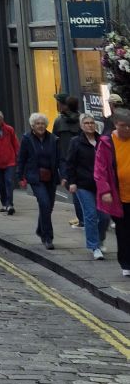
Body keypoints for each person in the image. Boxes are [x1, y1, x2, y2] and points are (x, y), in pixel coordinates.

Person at [65, 114, 109, 260]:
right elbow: (70, 163)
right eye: (87, 123)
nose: (90, 125)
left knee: (104, 217)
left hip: (101, 185)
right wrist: (72, 182)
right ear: (81, 126)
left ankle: (100, 239)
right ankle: (94, 246)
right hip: (83, 185)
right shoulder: (75, 142)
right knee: (90, 215)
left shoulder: (102, 141)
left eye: (92, 123)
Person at [94, 108, 130, 278]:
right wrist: (105, 190)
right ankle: (126, 263)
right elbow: (99, 170)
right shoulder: (107, 142)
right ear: (116, 124)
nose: (127, 129)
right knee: (123, 231)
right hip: (119, 196)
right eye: (124, 126)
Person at [17, 112, 60, 250]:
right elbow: (21, 158)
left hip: (51, 177)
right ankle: (48, 237)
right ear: (32, 126)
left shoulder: (53, 139)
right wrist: (20, 176)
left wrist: (64, 175)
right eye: (38, 124)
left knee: (48, 206)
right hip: (35, 177)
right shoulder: (27, 139)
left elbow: (60, 159)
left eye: (43, 123)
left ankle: (40, 229)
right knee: (44, 203)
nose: (40, 126)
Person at [52, 95, 83, 226]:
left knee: (72, 187)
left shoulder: (59, 121)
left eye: (59, 103)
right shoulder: (82, 119)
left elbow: (54, 140)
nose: (58, 106)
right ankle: (83, 216)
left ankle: (82, 218)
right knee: (81, 187)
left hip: (65, 159)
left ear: (65, 106)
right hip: (81, 158)